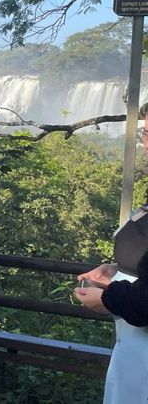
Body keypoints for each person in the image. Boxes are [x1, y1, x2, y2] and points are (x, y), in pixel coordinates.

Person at [75, 102, 148, 403]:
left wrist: (108, 297)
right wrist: (117, 269)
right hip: (133, 358)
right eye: (144, 134)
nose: (145, 145)